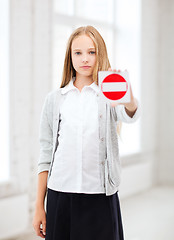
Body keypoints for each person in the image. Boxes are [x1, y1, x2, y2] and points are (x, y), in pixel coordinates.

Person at [32, 25, 140, 240]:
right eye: (78, 53)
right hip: (59, 196)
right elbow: (45, 155)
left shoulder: (109, 94)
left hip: (99, 197)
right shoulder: (55, 99)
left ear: (100, 53)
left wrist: (127, 95)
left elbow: (130, 114)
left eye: (92, 52)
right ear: (69, 57)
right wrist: (39, 206)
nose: (85, 59)